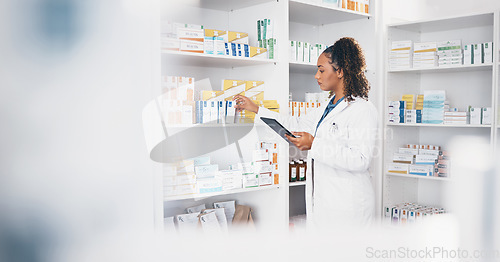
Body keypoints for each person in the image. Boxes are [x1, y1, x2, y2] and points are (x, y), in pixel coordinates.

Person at [233, 37, 377, 229]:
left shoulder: (362, 109)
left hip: (348, 207)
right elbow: (297, 124)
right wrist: (257, 109)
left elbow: (360, 159)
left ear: (340, 71)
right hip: (326, 204)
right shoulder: (327, 106)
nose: (316, 76)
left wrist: (314, 144)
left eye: (321, 69)